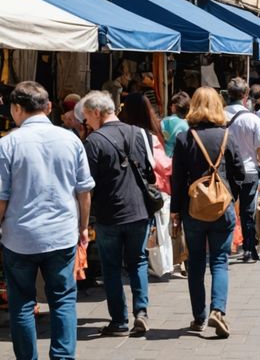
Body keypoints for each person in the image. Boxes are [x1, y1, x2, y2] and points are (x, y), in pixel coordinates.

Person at [0, 82, 94, 360]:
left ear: (16, 108)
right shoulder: (71, 140)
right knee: (63, 299)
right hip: (61, 234)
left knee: (21, 303)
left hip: (19, 237)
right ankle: (63, 357)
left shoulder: (7, 144)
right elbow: (84, 192)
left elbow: (1, 198)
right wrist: (83, 227)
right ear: (49, 107)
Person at [170, 87, 246, 338]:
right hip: (222, 207)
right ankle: (218, 310)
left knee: (195, 263)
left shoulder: (185, 138)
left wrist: (176, 212)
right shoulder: (227, 135)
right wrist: (230, 194)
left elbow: (178, 180)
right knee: (220, 261)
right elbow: (240, 173)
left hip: (193, 209)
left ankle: (199, 317)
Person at [80, 90, 154, 337]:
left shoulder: (93, 141)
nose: (86, 122)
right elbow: (150, 171)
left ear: (96, 112)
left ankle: (119, 320)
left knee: (111, 267)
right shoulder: (139, 133)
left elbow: (86, 184)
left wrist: (83, 220)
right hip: (139, 210)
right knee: (138, 261)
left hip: (109, 213)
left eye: (87, 117)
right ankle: (141, 312)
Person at [120, 93, 174, 278]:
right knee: (149, 233)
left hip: (123, 191)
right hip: (150, 192)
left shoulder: (119, 134)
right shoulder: (149, 137)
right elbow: (163, 166)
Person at [224, 78, 260, 262]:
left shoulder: (220, 116)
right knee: (247, 211)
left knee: (226, 210)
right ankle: (249, 248)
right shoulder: (253, 119)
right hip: (249, 171)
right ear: (245, 96)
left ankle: (226, 246)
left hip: (226, 172)